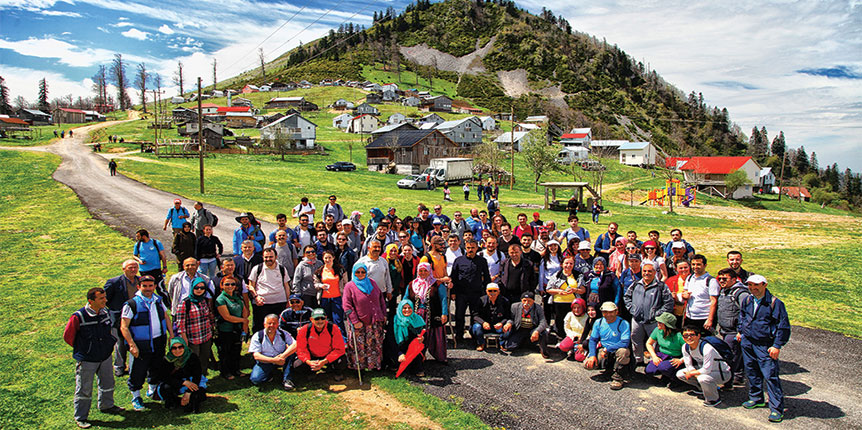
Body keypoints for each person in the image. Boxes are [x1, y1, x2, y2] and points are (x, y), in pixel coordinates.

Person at [64, 287, 123, 428]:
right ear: (91, 301)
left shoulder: (105, 312)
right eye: (101, 298)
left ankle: (107, 405)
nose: (105, 300)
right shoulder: (78, 316)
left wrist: (108, 345)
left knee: (108, 383)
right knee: (84, 389)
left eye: (105, 297)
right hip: (87, 359)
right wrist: (84, 349)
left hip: (105, 356)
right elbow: (68, 336)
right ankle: (81, 417)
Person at [738, 274, 791, 423]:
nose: (753, 288)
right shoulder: (748, 300)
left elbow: (783, 326)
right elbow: (742, 316)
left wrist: (777, 345)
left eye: (756, 285)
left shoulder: (775, 303)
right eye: (750, 285)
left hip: (765, 344)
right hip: (748, 342)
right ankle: (756, 398)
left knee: (770, 376)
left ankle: (776, 409)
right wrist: (740, 331)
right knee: (752, 371)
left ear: (764, 285)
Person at [120, 275, 173, 411]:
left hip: (158, 340)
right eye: (145, 286)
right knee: (138, 370)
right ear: (139, 287)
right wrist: (132, 345)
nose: (148, 289)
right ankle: (136, 396)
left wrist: (171, 335)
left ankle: (153, 389)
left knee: (156, 366)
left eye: (150, 286)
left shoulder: (158, 300)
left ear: (155, 286)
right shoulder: (131, 304)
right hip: (141, 343)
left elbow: (166, 317)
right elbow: (124, 326)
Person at [624, 263, 674, 364]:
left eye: (650, 271)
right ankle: (638, 360)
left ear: (655, 273)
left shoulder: (661, 286)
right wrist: (632, 309)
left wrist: (658, 314)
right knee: (636, 340)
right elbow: (626, 297)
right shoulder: (635, 284)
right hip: (637, 320)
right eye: (645, 271)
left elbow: (669, 303)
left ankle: (653, 361)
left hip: (653, 321)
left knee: (654, 343)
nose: (647, 273)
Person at [343, 263, 387, 371]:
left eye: (363, 272)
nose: (360, 274)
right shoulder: (350, 286)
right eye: (358, 272)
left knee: (374, 344)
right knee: (359, 346)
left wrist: (383, 314)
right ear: (354, 273)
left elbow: (381, 299)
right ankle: (359, 366)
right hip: (360, 322)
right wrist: (354, 320)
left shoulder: (372, 283)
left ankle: (373, 365)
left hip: (375, 320)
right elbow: (347, 305)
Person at [676, 324, 731, 407]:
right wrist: (692, 372)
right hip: (704, 371)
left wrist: (692, 374)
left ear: (698, 336)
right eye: (686, 336)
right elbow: (688, 365)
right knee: (680, 374)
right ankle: (703, 389)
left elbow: (706, 370)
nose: (689, 338)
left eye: (692, 335)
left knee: (703, 378)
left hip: (722, 373)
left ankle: (713, 399)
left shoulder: (707, 347)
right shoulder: (685, 347)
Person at [450, 239, 491, 346]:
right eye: (468, 248)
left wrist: (487, 292)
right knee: (459, 315)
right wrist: (453, 292)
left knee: (475, 315)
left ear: (477, 248)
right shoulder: (459, 260)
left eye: (473, 248)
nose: (470, 250)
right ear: (465, 248)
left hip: (476, 293)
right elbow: (453, 277)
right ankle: (459, 335)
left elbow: (486, 277)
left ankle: (474, 335)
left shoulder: (482, 261)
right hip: (461, 293)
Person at [150, 337, 207, 413]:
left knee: (199, 394)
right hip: (176, 382)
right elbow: (164, 377)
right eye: (174, 348)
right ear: (170, 349)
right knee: (165, 389)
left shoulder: (192, 357)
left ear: (184, 346)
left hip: (191, 381)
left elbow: (197, 375)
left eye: (180, 347)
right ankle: (178, 401)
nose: (177, 350)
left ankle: (188, 401)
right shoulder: (167, 360)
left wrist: (188, 392)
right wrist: (183, 383)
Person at [103, 260, 139, 377]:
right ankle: (119, 367)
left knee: (135, 340)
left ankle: (135, 365)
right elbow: (105, 299)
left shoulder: (140, 281)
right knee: (120, 343)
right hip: (118, 317)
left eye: (135, 267)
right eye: (130, 268)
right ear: (123, 269)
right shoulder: (114, 282)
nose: (133, 270)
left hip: (136, 316)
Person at [584, 302, 631, 390]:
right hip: (604, 350)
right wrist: (592, 355)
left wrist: (608, 348)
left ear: (616, 311)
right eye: (605, 312)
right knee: (588, 365)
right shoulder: (599, 322)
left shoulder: (623, 323)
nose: (608, 314)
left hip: (616, 349)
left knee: (623, 352)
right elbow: (593, 340)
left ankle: (618, 377)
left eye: (611, 312)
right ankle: (608, 370)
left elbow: (625, 343)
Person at [715, 268, 750, 386]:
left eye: (725, 279)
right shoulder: (724, 290)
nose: (721, 281)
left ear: (734, 279)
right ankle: (737, 377)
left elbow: (747, 313)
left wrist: (741, 331)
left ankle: (728, 381)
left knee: (731, 356)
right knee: (735, 355)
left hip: (734, 331)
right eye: (719, 279)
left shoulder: (740, 293)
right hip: (725, 330)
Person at [174, 277, 215, 376]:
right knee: (193, 361)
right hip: (193, 338)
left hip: (206, 336)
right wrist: (184, 340)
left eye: (202, 288)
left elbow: (209, 316)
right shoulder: (185, 303)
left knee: (204, 359)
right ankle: (193, 380)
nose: (199, 290)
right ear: (192, 288)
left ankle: (203, 377)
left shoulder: (204, 300)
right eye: (196, 288)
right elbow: (180, 324)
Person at [295, 309, 347, 383]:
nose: (320, 321)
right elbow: (301, 349)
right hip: (312, 356)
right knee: (297, 365)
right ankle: (311, 372)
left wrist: (324, 361)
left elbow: (339, 349)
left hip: (328, 356)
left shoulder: (333, 328)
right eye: (316, 319)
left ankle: (336, 372)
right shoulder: (305, 329)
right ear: (311, 319)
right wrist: (309, 362)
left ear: (326, 318)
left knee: (341, 361)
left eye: (322, 318)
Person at [249, 314, 297, 390]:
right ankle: (269, 375)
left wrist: (283, 356)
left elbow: (295, 344)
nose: (272, 325)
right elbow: (256, 356)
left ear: (278, 324)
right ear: (264, 324)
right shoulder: (257, 336)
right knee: (256, 379)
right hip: (266, 361)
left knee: (291, 354)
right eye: (269, 323)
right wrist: (274, 360)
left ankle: (287, 379)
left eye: (274, 323)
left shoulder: (283, 334)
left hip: (282, 359)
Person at [214, 276, 248, 380]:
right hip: (226, 329)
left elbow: (245, 311)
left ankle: (236, 370)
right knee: (225, 351)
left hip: (237, 329)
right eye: (227, 284)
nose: (230, 286)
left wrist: (244, 326)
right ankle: (226, 372)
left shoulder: (237, 297)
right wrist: (243, 321)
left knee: (236, 350)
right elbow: (226, 316)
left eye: (233, 284)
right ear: (222, 286)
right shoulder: (220, 299)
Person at [545, 255, 585, 338]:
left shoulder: (578, 275)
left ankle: (572, 338)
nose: (568, 265)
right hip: (559, 302)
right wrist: (559, 291)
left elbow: (583, 290)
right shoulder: (556, 275)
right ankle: (560, 337)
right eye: (566, 263)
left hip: (574, 303)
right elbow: (548, 289)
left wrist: (575, 290)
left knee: (573, 321)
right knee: (560, 321)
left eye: (571, 263)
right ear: (562, 264)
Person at [501, 292, 549, 358]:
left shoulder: (538, 308)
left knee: (544, 332)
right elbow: (511, 319)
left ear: (533, 301)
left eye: (529, 301)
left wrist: (537, 331)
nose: (526, 303)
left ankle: (543, 350)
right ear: (521, 300)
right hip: (520, 329)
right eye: (524, 300)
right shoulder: (514, 306)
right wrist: (508, 323)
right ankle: (526, 342)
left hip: (532, 329)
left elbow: (543, 322)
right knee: (509, 347)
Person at [644, 312, 685, 384]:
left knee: (663, 367)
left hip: (675, 357)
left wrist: (681, 360)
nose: (658, 323)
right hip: (662, 354)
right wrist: (654, 357)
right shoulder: (657, 330)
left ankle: (676, 380)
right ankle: (666, 374)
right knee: (649, 370)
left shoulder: (679, 336)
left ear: (667, 325)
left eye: (660, 322)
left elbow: (690, 350)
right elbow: (649, 343)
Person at [683, 254, 719, 332]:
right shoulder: (689, 278)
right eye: (693, 264)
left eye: (698, 264)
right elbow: (685, 291)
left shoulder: (711, 281)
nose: (695, 267)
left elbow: (714, 301)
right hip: (690, 317)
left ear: (705, 265)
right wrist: (684, 295)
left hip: (703, 318)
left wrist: (710, 319)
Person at [471, 283, 512, 351]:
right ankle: (481, 343)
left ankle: (502, 343)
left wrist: (502, 323)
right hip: (484, 326)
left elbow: (508, 316)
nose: (492, 293)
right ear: (486, 291)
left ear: (498, 291)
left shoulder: (505, 301)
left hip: (497, 325)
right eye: (490, 291)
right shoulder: (480, 300)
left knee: (507, 329)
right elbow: (475, 315)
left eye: (494, 291)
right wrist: (483, 322)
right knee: (477, 327)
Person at [393, 299, 428, 376]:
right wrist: (400, 353)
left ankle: (417, 366)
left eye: (409, 308)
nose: (407, 310)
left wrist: (422, 339)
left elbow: (424, 335)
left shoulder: (418, 319)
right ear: (400, 309)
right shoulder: (395, 321)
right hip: (398, 348)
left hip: (412, 349)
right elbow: (391, 340)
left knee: (415, 362)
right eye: (404, 308)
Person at [316, 250, 346, 334]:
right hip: (324, 298)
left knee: (338, 320)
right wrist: (320, 286)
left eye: (329, 257)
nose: (327, 259)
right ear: (323, 258)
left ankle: (342, 340)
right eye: (326, 258)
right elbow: (315, 283)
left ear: (333, 258)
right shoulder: (320, 271)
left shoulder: (340, 270)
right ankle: (328, 338)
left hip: (337, 298)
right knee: (326, 320)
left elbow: (345, 283)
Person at [665, 259, 690, 326]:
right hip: (674, 312)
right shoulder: (671, 280)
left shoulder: (694, 280)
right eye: (681, 268)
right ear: (676, 269)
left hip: (688, 313)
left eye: (686, 267)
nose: (683, 270)